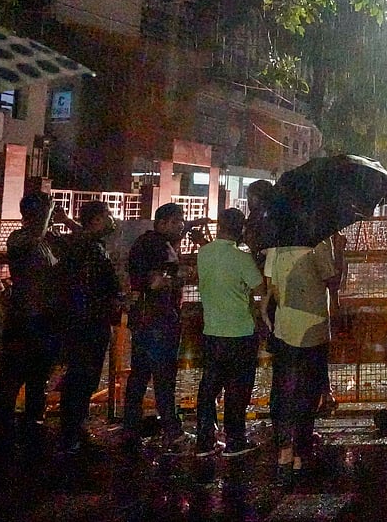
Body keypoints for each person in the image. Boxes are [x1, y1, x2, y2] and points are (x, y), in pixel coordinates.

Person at [0, 192, 62, 469]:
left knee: (39, 375)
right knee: (13, 374)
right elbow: (31, 240)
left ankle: (33, 422)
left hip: (44, 318)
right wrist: (47, 213)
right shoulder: (20, 238)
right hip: (24, 318)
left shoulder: (46, 241)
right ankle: (3, 427)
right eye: (45, 210)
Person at [262, 236, 337, 486]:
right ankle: (300, 454)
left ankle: (284, 451)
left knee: (285, 391)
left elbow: (271, 285)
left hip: (285, 328)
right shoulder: (320, 243)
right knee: (308, 393)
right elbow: (332, 280)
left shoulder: (277, 244)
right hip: (314, 328)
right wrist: (340, 253)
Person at [122, 202, 193, 453]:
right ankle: (172, 430)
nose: (180, 225)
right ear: (161, 223)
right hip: (159, 320)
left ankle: (130, 427)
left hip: (143, 319)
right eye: (176, 221)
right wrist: (179, 277)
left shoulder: (146, 243)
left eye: (181, 220)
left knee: (139, 375)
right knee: (164, 377)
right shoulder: (157, 245)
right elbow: (154, 282)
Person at [194, 208, 264, 458]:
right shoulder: (241, 258)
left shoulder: (203, 253)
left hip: (212, 331)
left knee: (209, 387)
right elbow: (260, 287)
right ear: (241, 229)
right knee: (238, 389)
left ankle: (204, 441)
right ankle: (235, 440)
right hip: (240, 332)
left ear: (220, 226)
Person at [57, 201, 123, 455]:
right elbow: (99, 284)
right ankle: (71, 433)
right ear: (96, 220)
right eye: (108, 214)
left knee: (82, 375)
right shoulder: (90, 249)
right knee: (82, 376)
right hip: (89, 321)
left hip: (85, 319)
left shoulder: (86, 245)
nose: (112, 219)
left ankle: (74, 429)